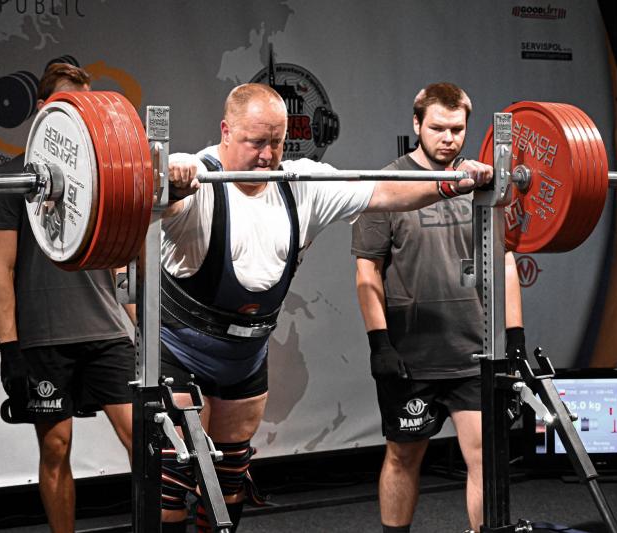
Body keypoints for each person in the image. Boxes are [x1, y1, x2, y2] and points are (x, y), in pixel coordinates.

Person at [160, 82, 493, 532]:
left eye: (276, 142)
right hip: (180, 348)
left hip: (245, 355)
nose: (267, 155)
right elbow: (152, 202)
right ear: (225, 131)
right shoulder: (197, 179)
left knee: (229, 477)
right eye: (255, 142)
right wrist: (168, 179)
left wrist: (453, 183)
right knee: (173, 477)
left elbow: (386, 192)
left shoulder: (301, 183)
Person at [350, 82, 524, 533]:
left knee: (485, 458)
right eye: (438, 128)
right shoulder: (387, 186)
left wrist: (515, 337)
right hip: (413, 355)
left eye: (457, 129)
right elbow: (368, 270)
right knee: (403, 456)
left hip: (474, 350)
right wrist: (379, 343)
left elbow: (505, 259)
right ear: (416, 124)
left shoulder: (483, 185)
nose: (448, 138)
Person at [0, 62, 135, 533]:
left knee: (145, 441)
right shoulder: (13, 176)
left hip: (107, 330)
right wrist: (10, 349)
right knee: (55, 448)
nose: (80, 115)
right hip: (45, 340)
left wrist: (144, 327)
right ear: (46, 108)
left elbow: (120, 262)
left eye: (86, 107)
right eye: (71, 105)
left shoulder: (101, 175)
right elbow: (1, 269)